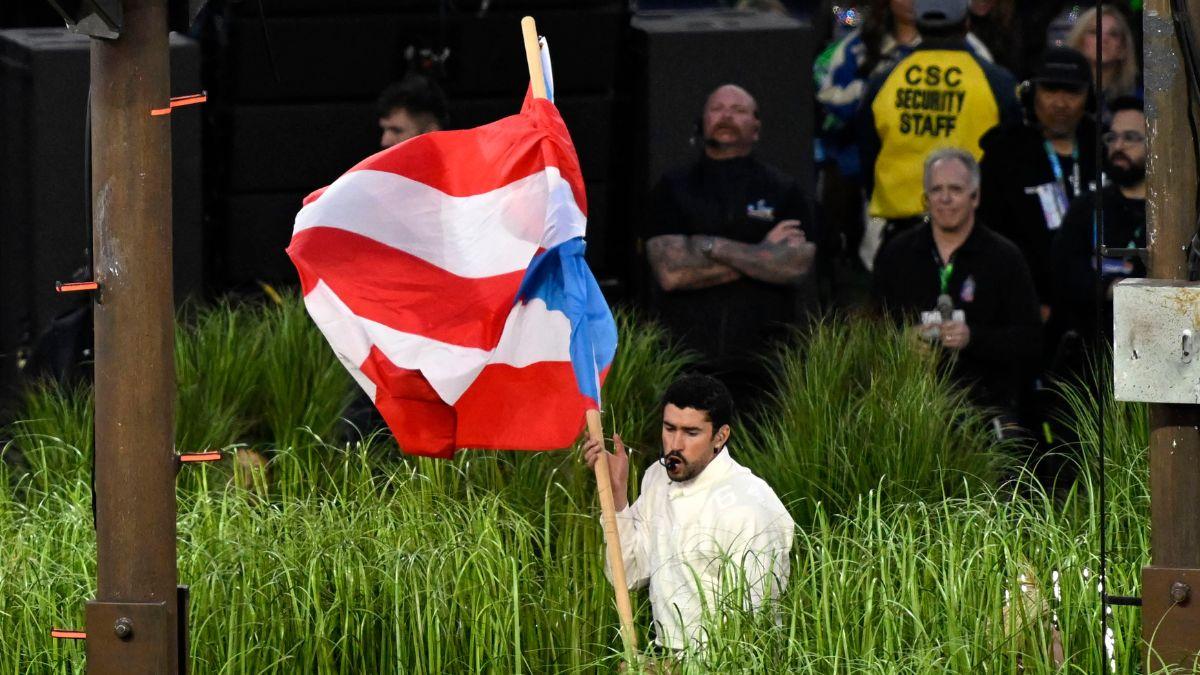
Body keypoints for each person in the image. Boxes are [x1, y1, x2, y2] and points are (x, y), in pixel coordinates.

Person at [582, 373, 794, 654]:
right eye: (669, 429)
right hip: (662, 655)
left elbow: (753, 631)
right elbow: (630, 574)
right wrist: (617, 496)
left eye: (691, 433)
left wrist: (670, 670)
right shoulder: (657, 478)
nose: (675, 444)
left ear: (720, 436)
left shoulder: (750, 506)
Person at [643, 84, 818, 400]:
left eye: (738, 110)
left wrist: (710, 246)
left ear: (756, 127)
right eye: (717, 108)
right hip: (685, 357)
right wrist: (762, 253)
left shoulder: (784, 190)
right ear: (702, 121)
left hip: (763, 361)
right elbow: (672, 274)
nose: (726, 116)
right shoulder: (672, 188)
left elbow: (795, 266)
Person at [816, 0, 992, 270]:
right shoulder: (857, 47)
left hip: (956, 186)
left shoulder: (971, 49)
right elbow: (830, 97)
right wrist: (881, 93)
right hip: (879, 192)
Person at [873, 148, 1041, 418]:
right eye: (936, 190)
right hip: (910, 407)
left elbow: (1030, 339)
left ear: (975, 197)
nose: (946, 199)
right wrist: (901, 340)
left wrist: (973, 338)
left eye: (956, 189)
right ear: (926, 198)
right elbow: (872, 327)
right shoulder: (897, 253)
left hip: (985, 407)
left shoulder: (1004, 257)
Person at [857, 0, 1021, 268]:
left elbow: (867, 154)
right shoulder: (996, 82)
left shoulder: (884, 80)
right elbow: (1013, 155)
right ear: (967, 24)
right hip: (973, 228)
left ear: (919, 26)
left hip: (899, 231)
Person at [978, 47, 1098, 321]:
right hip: (1028, 309)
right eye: (1050, 91)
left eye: (1072, 92)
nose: (1060, 103)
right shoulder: (1003, 152)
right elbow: (990, 237)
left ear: (1088, 98)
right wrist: (1024, 301)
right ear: (1032, 95)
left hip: (1101, 306)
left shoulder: (1106, 147)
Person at [1053, 96, 1146, 348]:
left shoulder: (1171, 214)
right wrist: (1108, 288)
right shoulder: (1086, 207)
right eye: (1112, 138)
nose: (1118, 146)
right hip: (1090, 347)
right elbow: (1062, 274)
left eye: (1130, 137)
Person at [1065, 4, 1141, 122]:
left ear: (1123, 48)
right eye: (1095, 32)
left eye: (1113, 34)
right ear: (1079, 43)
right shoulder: (1063, 94)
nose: (1104, 39)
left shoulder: (1140, 97)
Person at [376, 73, 449, 149]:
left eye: (397, 131)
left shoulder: (459, 160)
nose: (384, 142)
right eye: (384, 130)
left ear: (431, 133)